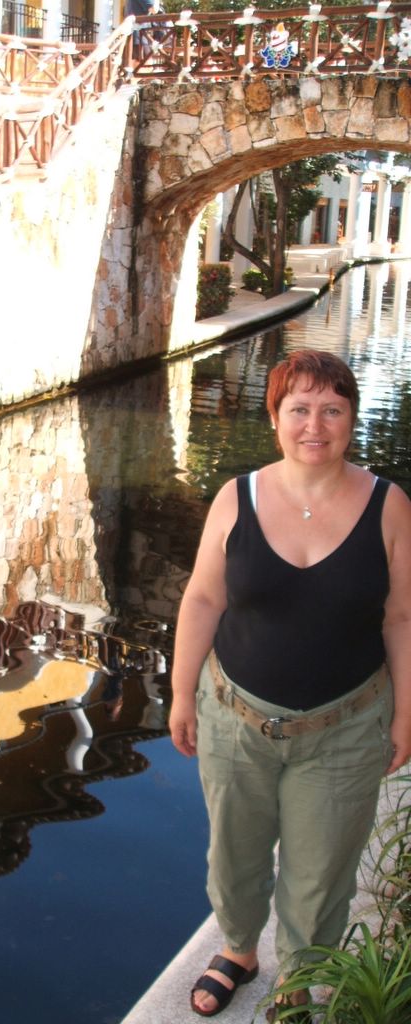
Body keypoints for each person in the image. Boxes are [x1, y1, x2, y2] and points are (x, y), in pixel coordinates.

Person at [168, 350, 411, 1020]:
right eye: (299, 408)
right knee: (234, 854)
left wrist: (406, 714)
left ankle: (300, 978)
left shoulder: (389, 506)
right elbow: (202, 600)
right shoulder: (235, 498)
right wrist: (182, 693)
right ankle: (239, 950)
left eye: (332, 409)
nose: (315, 425)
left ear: (352, 419)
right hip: (235, 718)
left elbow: (401, 617)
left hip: (346, 726)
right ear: (274, 417)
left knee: (323, 868)